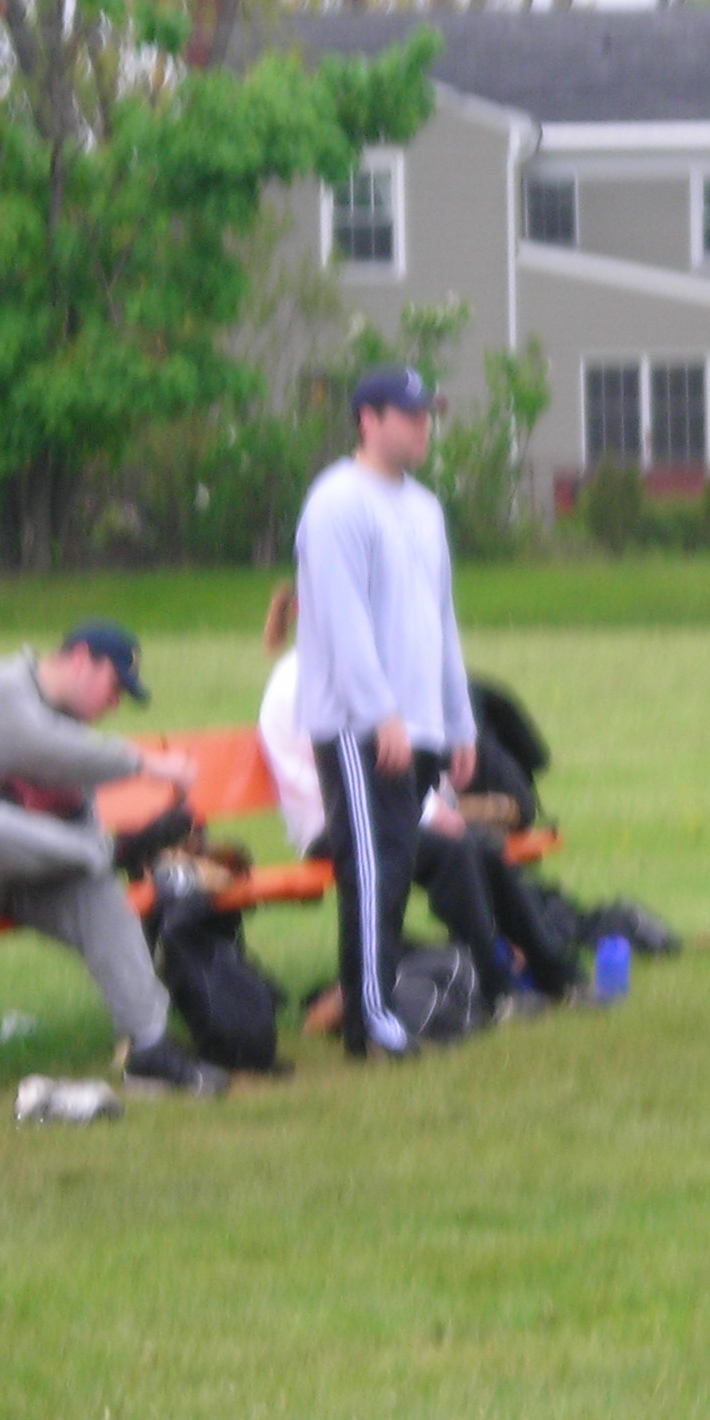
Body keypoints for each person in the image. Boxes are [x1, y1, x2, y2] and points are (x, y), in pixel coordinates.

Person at [0, 625, 224, 1096]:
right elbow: (46, 748)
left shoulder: (74, 732)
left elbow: (76, 812)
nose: (114, 704)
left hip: (28, 875)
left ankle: (150, 1048)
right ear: (80, 660)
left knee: (97, 887)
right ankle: (119, 851)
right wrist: (145, 765)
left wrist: (91, 852)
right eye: (114, 687)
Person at [257, 584, 559, 1023]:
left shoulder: (351, 673)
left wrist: (436, 810)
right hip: (334, 828)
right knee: (453, 853)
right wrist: (434, 814)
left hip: (379, 816)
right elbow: (354, 786)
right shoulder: (301, 684)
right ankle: (494, 993)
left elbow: (397, 768)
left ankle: (553, 972)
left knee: (483, 846)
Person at [294, 365, 482, 1060]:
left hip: (419, 726)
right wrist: (382, 715)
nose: (423, 426)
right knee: (372, 872)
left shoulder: (425, 509)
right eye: (409, 414)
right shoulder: (337, 504)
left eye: (428, 413)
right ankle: (368, 1024)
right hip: (360, 727)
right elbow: (342, 624)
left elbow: (441, 624)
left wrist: (457, 721)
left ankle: (377, 1010)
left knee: (397, 871)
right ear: (368, 420)